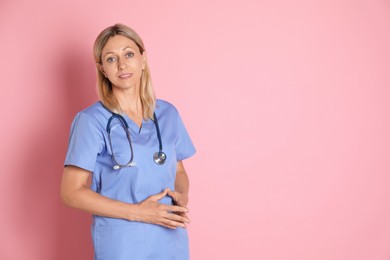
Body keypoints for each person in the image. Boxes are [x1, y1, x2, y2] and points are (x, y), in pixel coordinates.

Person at [60, 23, 196, 260]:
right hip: (122, 242)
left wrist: (182, 195)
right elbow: (71, 192)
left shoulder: (168, 114)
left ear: (143, 59)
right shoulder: (91, 121)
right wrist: (139, 213)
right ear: (102, 69)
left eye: (129, 54)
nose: (122, 64)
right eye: (111, 59)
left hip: (170, 236)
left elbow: (178, 170)